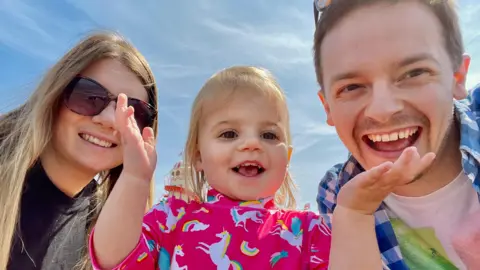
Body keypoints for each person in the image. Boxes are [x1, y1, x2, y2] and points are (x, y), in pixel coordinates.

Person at [88, 66, 332, 269]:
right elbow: (114, 259)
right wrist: (134, 178)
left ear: (287, 156)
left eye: (269, 135)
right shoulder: (172, 219)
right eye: (229, 133)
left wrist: (356, 216)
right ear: (198, 156)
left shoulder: (310, 233)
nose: (252, 143)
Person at [313, 0, 480, 269]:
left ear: (457, 78)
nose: (383, 110)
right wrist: (354, 215)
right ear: (328, 107)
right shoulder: (338, 191)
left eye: (414, 73)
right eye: (352, 86)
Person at [0, 32, 158, 270]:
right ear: (55, 94)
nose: (110, 120)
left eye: (133, 113)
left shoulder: (110, 233)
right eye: (89, 96)